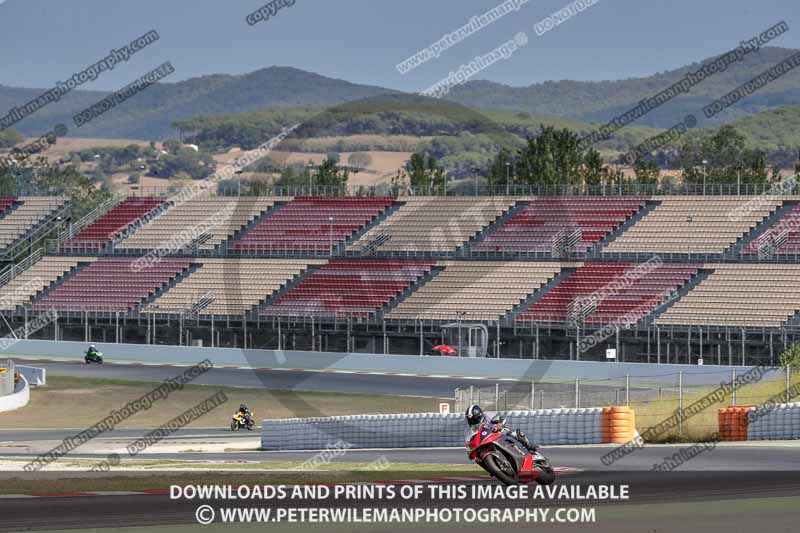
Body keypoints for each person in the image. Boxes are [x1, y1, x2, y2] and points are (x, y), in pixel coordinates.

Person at [465, 404, 538, 453]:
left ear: (479, 415)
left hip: (498, 433)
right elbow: (473, 436)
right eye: (469, 420)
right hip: (486, 441)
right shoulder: (473, 427)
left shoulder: (488, 415)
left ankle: (528, 445)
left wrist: (498, 426)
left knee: (511, 433)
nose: (471, 421)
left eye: (472, 419)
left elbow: (502, 420)